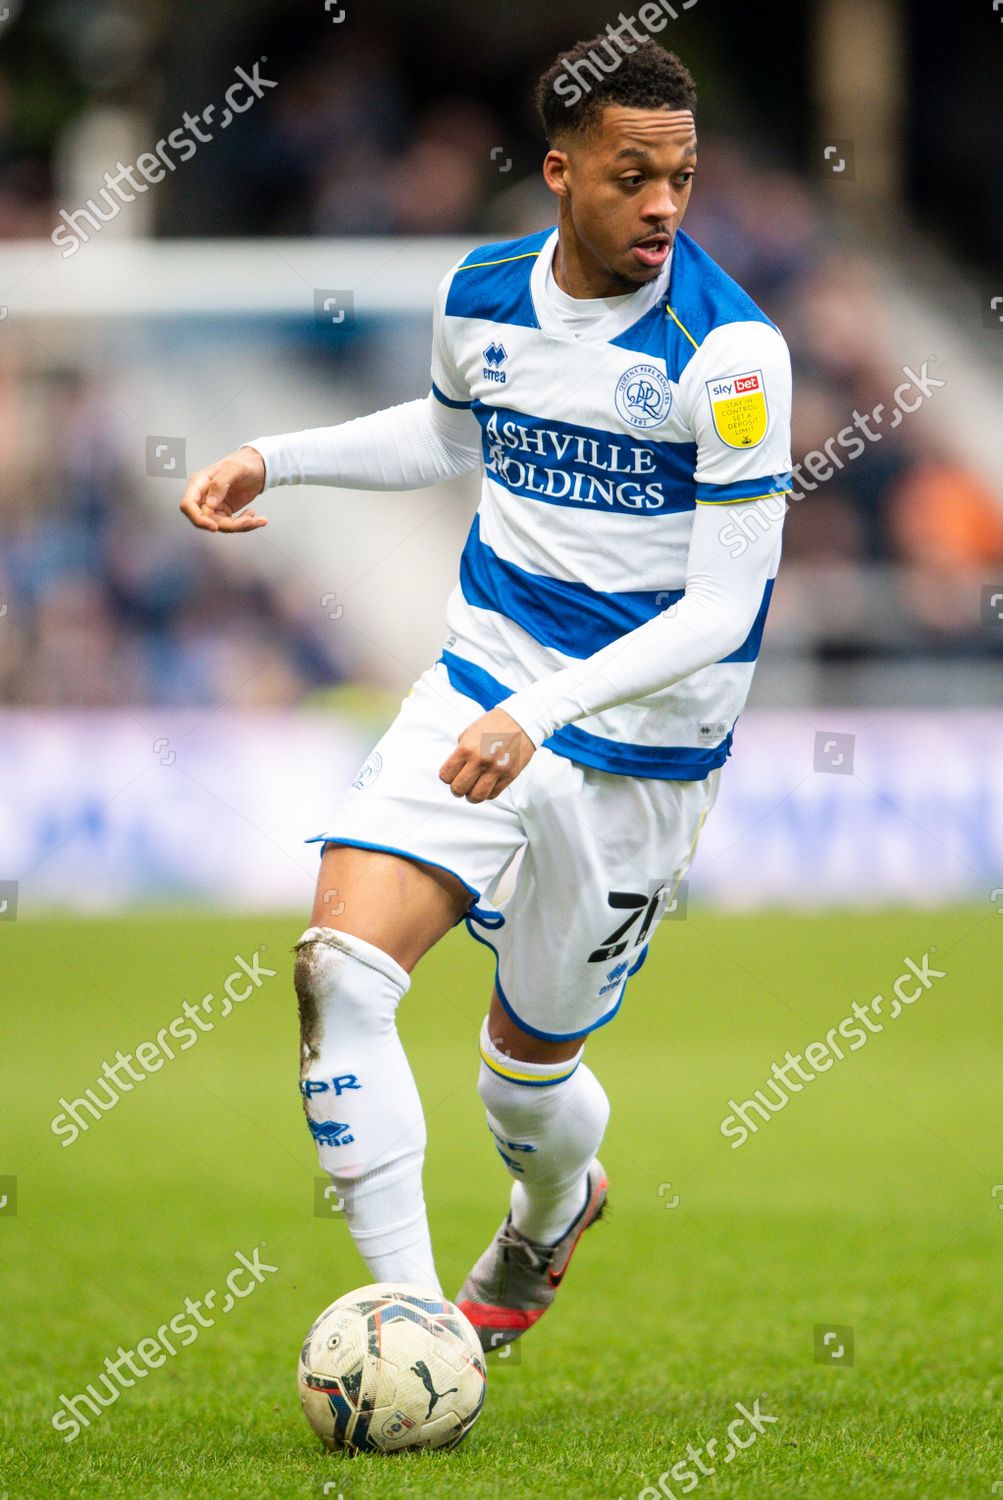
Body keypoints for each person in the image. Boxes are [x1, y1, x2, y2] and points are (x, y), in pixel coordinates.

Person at [179, 34, 793, 1352]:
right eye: (635, 177)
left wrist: (547, 715)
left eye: (682, 177)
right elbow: (455, 433)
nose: (666, 207)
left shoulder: (733, 355)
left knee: (523, 1084)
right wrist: (273, 459)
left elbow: (723, 609)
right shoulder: (484, 290)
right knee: (339, 971)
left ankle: (553, 1202)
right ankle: (413, 1323)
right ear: (563, 172)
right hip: (485, 679)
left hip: (634, 754)